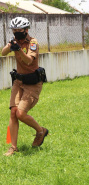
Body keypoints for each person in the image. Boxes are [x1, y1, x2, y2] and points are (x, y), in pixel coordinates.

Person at [1, 17, 48, 156]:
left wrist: (19, 50)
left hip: (33, 83)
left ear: (26, 30)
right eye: (14, 30)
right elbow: (3, 53)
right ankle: (13, 147)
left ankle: (41, 131)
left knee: (21, 114)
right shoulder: (14, 41)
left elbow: (28, 61)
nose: (16, 32)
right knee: (13, 112)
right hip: (18, 81)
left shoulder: (33, 43)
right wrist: (10, 45)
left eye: (19, 30)